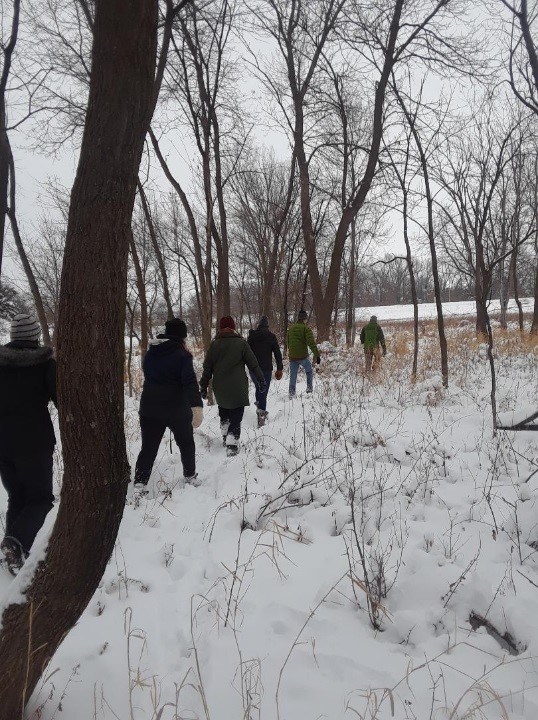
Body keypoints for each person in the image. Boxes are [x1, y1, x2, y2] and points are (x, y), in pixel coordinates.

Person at [0, 313, 56, 575]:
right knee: (41, 499)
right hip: (34, 444)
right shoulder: (45, 364)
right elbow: (62, 397)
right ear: (34, 336)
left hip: (3, 444)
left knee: (17, 498)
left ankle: (13, 553)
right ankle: (16, 543)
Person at [134, 318, 203, 497]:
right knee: (186, 443)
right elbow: (189, 382)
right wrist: (196, 406)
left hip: (150, 408)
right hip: (176, 409)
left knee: (148, 448)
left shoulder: (150, 354)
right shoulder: (183, 356)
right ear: (182, 336)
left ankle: (140, 484)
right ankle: (189, 476)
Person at [200, 316, 265, 456]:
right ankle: (232, 442)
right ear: (233, 327)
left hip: (220, 386)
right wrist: (261, 379)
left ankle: (225, 434)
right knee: (236, 413)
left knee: (224, 409)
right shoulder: (241, 343)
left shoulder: (214, 345)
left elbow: (207, 368)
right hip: (238, 386)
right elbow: (253, 363)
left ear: (220, 328)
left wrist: (203, 386)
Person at [247, 315, 283, 427]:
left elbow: (246, 352)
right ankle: (261, 417)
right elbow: (277, 353)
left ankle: (259, 408)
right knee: (263, 391)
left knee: (259, 388)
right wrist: (279, 368)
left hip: (253, 369)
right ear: (267, 326)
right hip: (266, 369)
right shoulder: (271, 336)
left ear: (258, 325)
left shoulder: (251, 337)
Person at [286, 309, 320, 398]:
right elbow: (311, 343)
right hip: (302, 356)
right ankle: (309, 389)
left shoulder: (291, 329)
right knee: (309, 371)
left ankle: (291, 393)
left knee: (293, 375)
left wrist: (291, 352)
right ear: (304, 319)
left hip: (292, 356)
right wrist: (317, 355)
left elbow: (288, 342)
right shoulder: (306, 329)